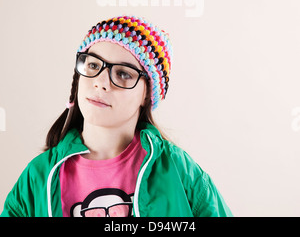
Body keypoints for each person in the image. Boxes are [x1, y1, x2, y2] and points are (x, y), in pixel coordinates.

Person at [1, 15, 233, 217]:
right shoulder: (38, 176)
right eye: (93, 66)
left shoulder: (178, 170)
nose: (101, 83)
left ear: (147, 94)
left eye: (122, 73)